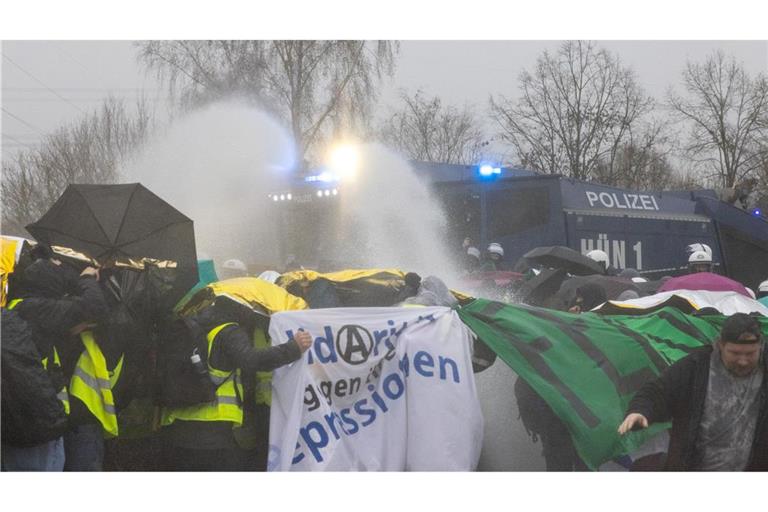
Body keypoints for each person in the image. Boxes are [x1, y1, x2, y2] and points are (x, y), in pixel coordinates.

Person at [160, 298, 313, 471]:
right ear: (240, 308)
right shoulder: (229, 331)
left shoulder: (195, 325)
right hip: (212, 429)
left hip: (175, 424)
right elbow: (252, 360)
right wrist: (293, 348)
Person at [618, 313, 768, 470]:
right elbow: (657, 392)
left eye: (750, 354)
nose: (743, 361)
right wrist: (640, 411)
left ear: (761, 346)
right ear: (720, 345)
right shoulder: (695, 367)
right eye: (735, 353)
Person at [4, 247, 108, 471]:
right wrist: (88, 279)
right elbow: (96, 307)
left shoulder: (13, 309)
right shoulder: (40, 309)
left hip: (12, 423)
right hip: (41, 427)